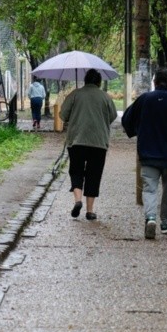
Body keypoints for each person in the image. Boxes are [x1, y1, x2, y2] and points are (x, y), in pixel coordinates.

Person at [122, 69, 167, 239]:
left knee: (149, 189)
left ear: (154, 82)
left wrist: (135, 130)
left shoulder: (145, 100)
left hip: (148, 154)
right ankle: (166, 224)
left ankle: (150, 218)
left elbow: (127, 118)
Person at [60, 69, 118, 221]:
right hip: (98, 142)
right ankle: (90, 210)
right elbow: (112, 116)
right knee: (94, 174)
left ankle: (78, 200)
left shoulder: (75, 94)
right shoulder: (105, 97)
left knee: (76, 170)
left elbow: (63, 115)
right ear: (99, 82)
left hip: (77, 140)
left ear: (85, 80)